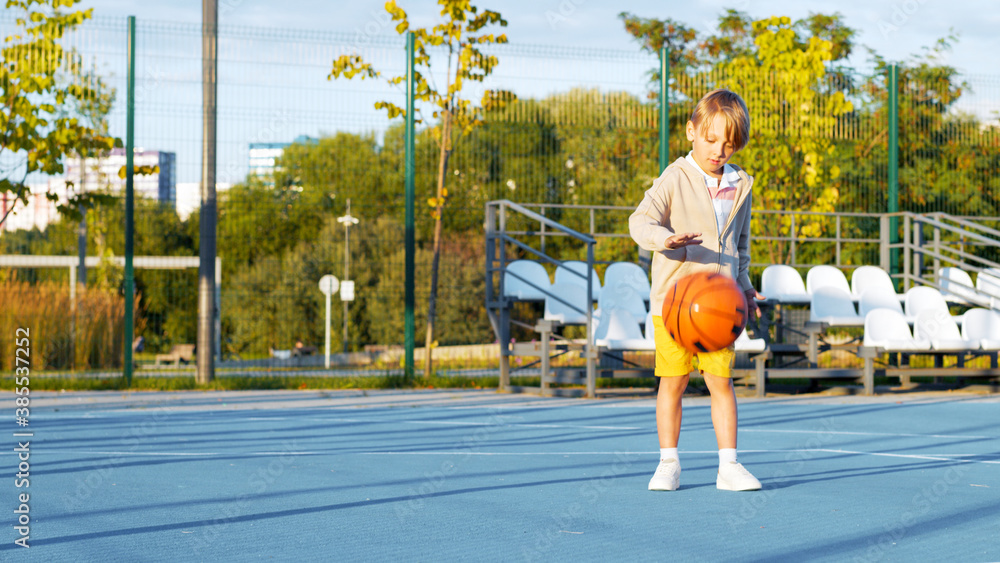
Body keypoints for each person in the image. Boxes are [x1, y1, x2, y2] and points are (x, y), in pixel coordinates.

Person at [629, 88, 764, 492]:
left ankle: (729, 466)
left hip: (719, 307)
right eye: (711, 139)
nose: (719, 150)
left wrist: (745, 287)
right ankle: (668, 462)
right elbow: (640, 221)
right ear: (691, 132)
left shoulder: (741, 185)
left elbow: (740, 247)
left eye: (729, 143)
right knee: (673, 381)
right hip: (674, 305)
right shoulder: (675, 177)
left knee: (721, 382)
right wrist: (666, 240)